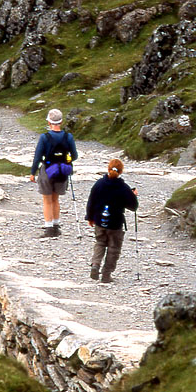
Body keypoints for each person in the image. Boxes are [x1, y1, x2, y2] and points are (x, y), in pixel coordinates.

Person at [85, 158, 139, 282]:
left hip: (100, 220)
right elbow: (133, 206)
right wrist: (134, 195)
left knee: (100, 243)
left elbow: (91, 201)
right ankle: (106, 275)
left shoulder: (99, 184)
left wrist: (90, 217)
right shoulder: (123, 188)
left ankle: (95, 265)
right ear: (121, 172)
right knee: (113, 248)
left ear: (108, 169)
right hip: (115, 223)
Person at [29, 108, 76, 237]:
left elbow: (37, 157)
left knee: (47, 200)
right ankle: (56, 227)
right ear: (61, 122)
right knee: (56, 199)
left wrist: (33, 172)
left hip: (47, 170)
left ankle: (49, 229)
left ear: (49, 122)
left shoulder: (45, 137)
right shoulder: (68, 136)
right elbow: (75, 155)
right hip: (62, 170)